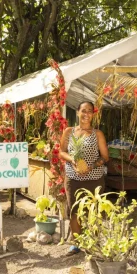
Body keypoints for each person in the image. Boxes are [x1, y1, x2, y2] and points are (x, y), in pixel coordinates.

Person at [60, 101, 109, 255]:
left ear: (93, 114)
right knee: (74, 210)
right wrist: (73, 160)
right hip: (73, 178)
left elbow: (105, 157)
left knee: (93, 210)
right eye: (83, 110)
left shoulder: (97, 134)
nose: (86, 114)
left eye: (90, 111)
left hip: (94, 178)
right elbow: (62, 152)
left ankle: (92, 242)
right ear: (77, 112)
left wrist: (91, 166)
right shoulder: (69, 132)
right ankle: (76, 243)